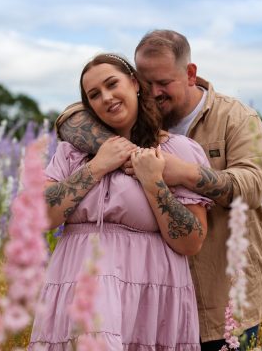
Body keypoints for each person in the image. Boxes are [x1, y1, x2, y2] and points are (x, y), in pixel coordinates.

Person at [56, 30, 262, 350]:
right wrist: (128, 156)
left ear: (190, 74)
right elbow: (69, 118)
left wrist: (184, 173)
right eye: (145, 83)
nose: (154, 92)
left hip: (223, 295)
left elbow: (254, 186)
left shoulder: (235, 117)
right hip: (154, 299)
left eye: (163, 83)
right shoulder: (138, 116)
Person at [29, 53, 213, 350]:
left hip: (147, 292)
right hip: (78, 285)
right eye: (94, 95)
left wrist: (153, 182)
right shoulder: (71, 153)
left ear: (134, 83)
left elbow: (191, 242)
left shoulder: (177, 151)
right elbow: (41, 216)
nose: (106, 97)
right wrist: (97, 166)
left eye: (112, 84)